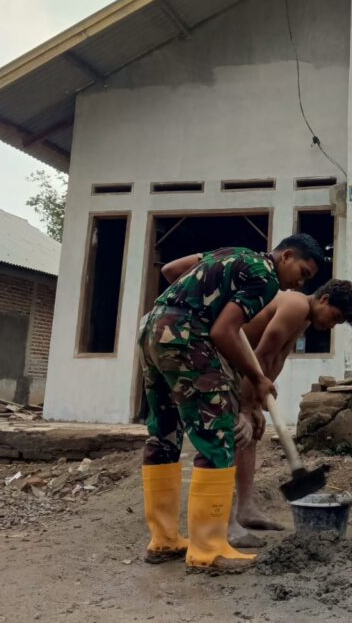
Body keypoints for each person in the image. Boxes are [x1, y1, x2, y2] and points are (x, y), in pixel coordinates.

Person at [138, 234, 322, 574]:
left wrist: (197, 306)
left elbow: (173, 270)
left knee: (164, 433)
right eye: (303, 271)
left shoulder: (233, 254)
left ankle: (163, 540)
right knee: (220, 433)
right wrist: (257, 376)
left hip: (154, 327)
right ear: (288, 255)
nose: (300, 281)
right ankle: (208, 549)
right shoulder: (265, 278)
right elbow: (224, 332)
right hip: (185, 336)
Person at [227, 278, 352, 546]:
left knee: (252, 433)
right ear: (323, 300)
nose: (331, 325)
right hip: (227, 359)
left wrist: (257, 404)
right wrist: (245, 407)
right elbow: (261, 354)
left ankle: (244, 509)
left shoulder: (303, 319)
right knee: (234, 432)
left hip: (246, 366)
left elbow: (277, 359)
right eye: (334, 317)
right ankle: (223, 519)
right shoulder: (295, 305)